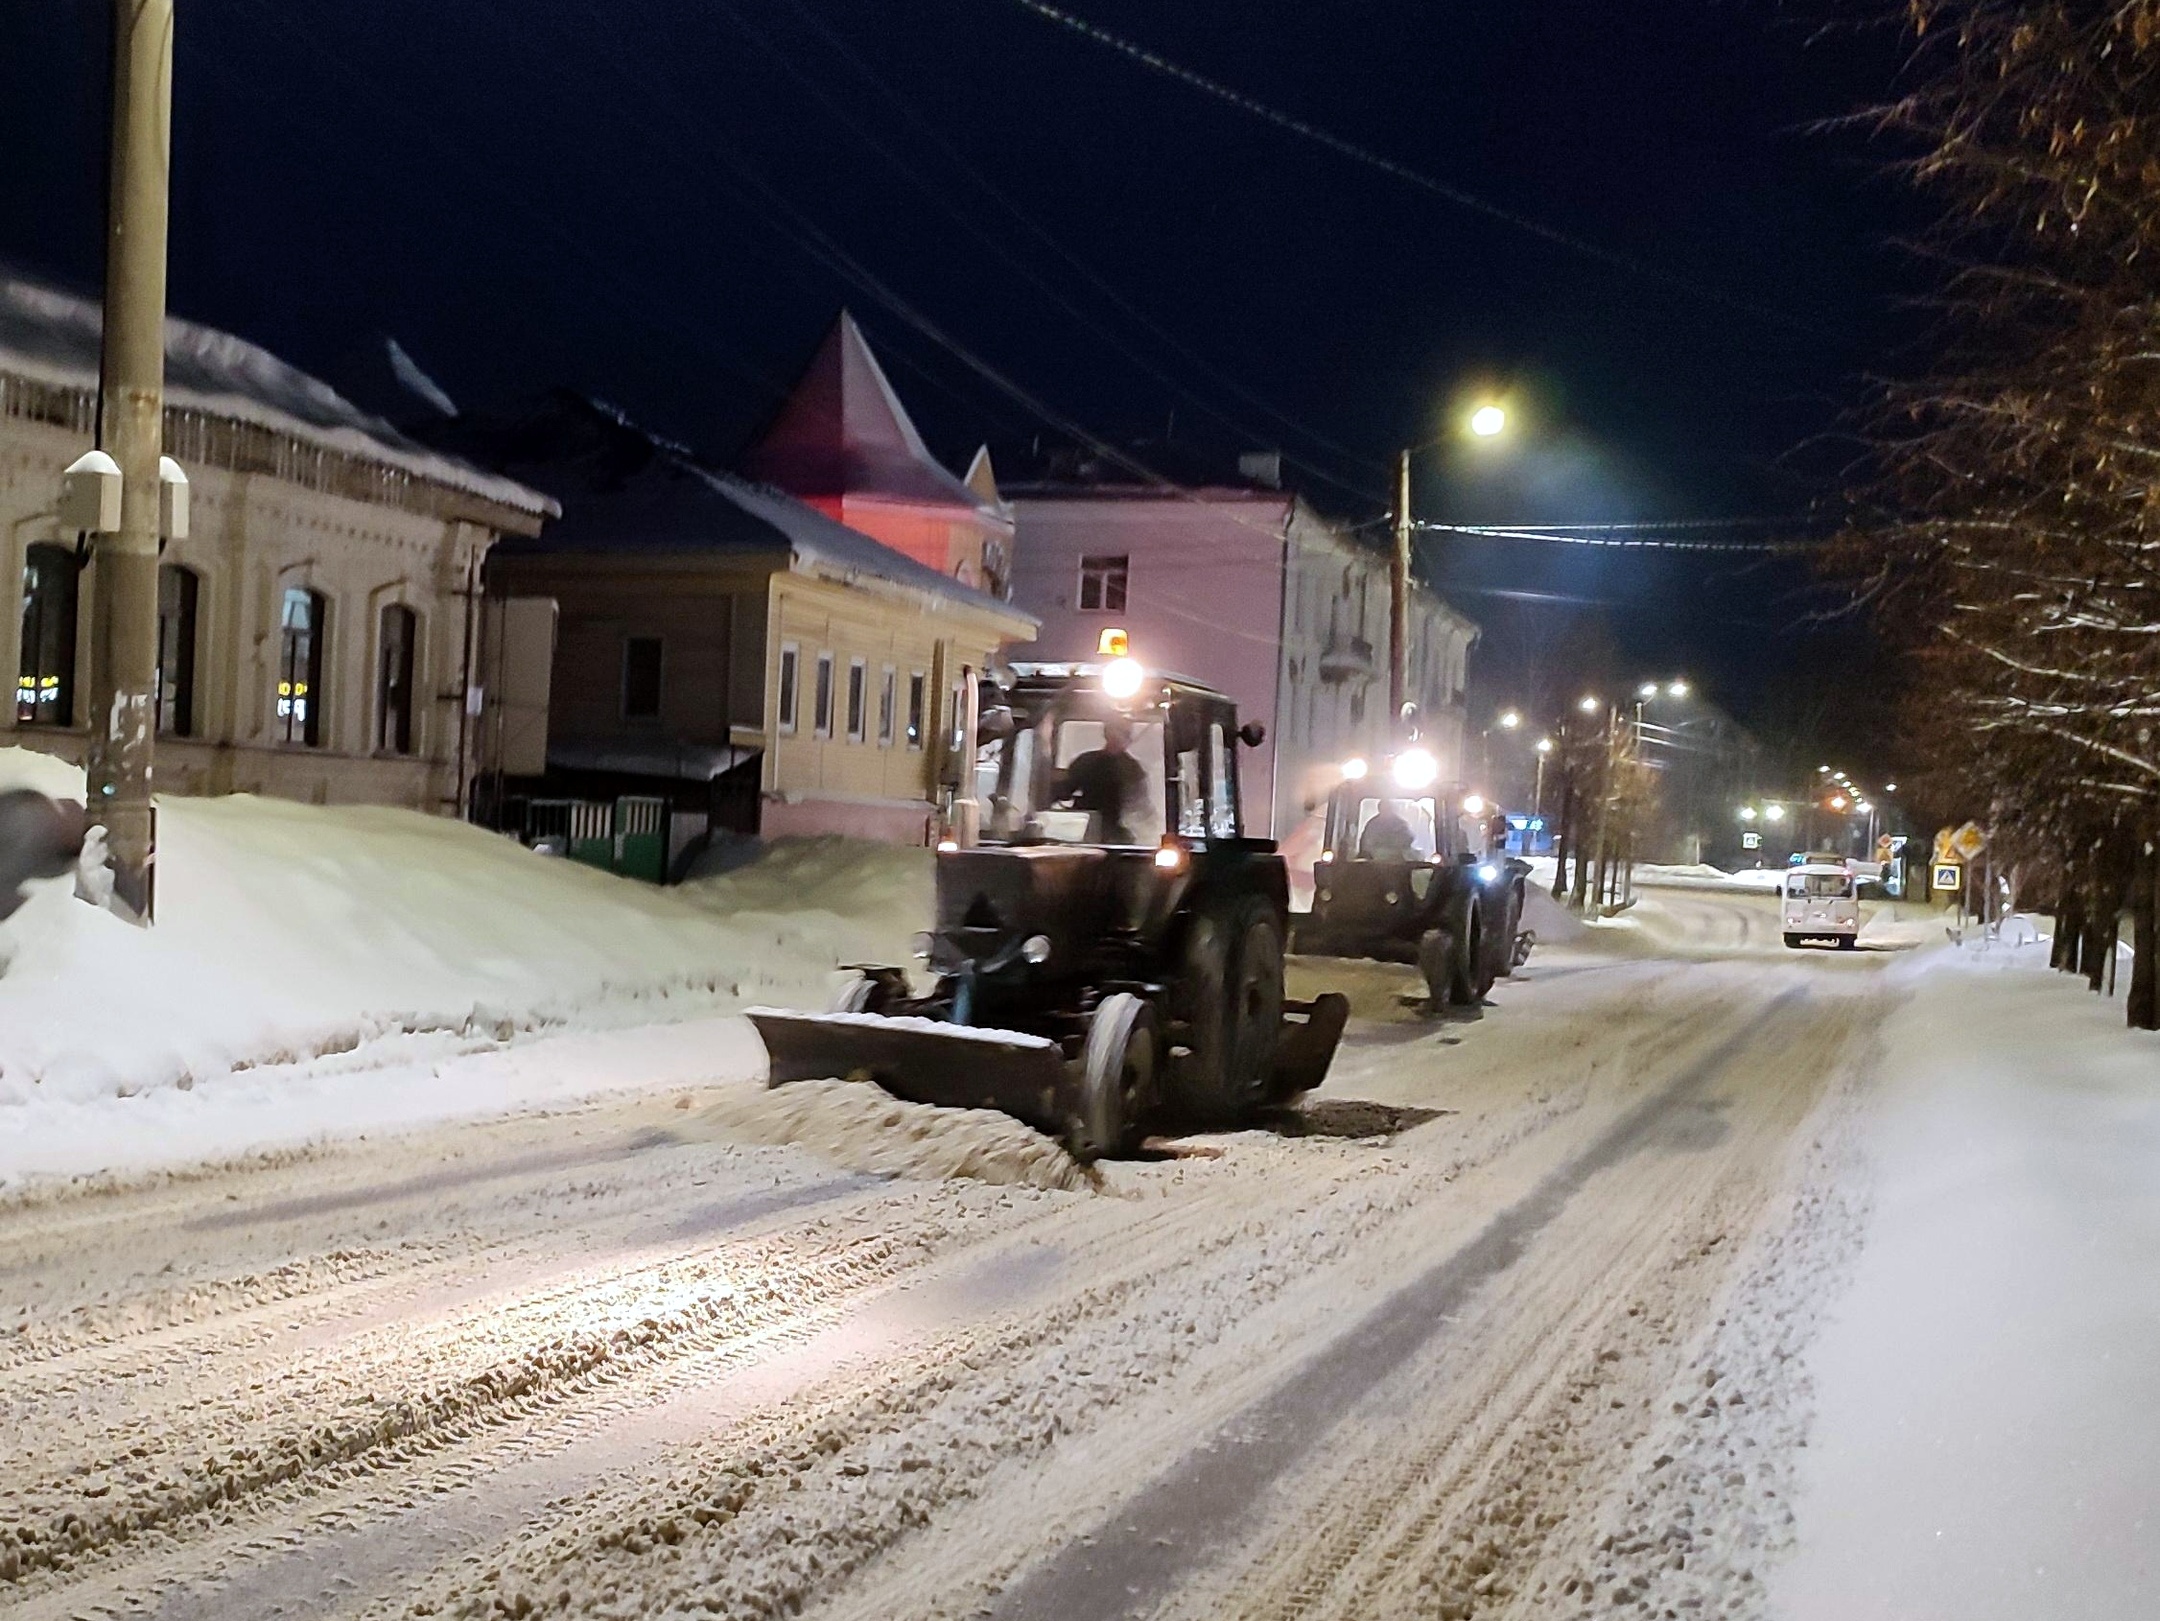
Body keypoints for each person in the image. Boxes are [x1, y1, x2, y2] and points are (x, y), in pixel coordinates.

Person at [1056, 717, 1148, 843]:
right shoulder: (1086, 761)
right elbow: (1064, 791)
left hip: (1116, 831)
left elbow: (1140, 806)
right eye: (1114, 731)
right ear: (1106, 733)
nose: (1117, 736)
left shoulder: (1133, 769)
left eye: (1123, 733)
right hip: (1083, 829)